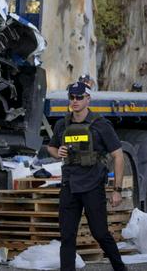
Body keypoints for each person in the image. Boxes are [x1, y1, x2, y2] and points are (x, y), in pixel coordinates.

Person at [47, 81, 126, 271]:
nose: (75, 101)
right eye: (72, 97)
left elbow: (118, 155)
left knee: (100, 233)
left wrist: (117, 190)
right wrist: (57, 152)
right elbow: (51, 147)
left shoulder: (100, 125)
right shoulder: (62, 124)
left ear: (88, 99)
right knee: (67, 236)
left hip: (92, 186)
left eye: (79, 97)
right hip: (69, 186)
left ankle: (120, 268)